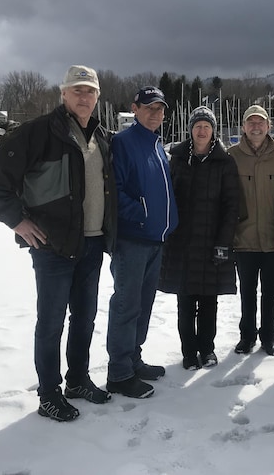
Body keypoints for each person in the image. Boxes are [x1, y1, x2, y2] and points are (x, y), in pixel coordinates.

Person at [0, 65, 116, 422]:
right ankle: (49, 394)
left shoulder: (101, 137)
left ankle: (77, 380)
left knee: (84, 319)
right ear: (64, 94)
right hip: (52, 246)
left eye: (90, 91)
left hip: (91, 243)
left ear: (97, 97)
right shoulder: (39, 133)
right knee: (52, 322)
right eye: (77, 90)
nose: (83, 97)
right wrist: (18, 220)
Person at [106, 86, 178, 399]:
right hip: (132, 239)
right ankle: (119, 373)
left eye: (160, 109)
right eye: (149, 108)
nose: (155, 114)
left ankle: (133, 359)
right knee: (126, 305)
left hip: (154, 240)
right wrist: (143, 213)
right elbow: (114, 190)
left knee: (143, 305)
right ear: (135, 109)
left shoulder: (157, 144)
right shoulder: (124, 142)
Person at [158, 106, 240, 370]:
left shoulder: (225, 161)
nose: (202, 130)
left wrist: (223, 243)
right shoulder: (178, 158)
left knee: (208, 301)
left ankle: (207, 349)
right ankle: (188, 352)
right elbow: (167, 197)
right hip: (182, 243)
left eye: (207, 126)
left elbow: (232, 205)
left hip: (212, 242)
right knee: (185, 301)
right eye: (197, 126)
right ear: (190, 130)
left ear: (213, 130)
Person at [228, 105, 274, 356]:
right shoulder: (231, 155)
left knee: (271, 291)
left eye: (260, 122)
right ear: (243, 127)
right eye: (250, 122)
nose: (256, 126)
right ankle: (247, 336)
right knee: (247, 291)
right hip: (243, 238)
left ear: (268, 126)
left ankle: (268, 336)